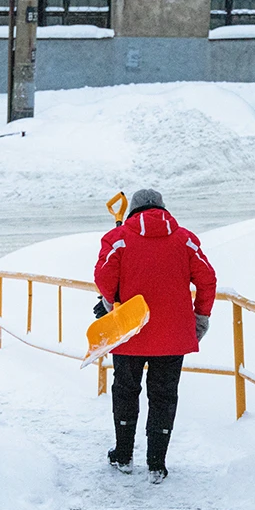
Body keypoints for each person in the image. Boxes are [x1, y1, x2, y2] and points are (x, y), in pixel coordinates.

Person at [93, 189, 217, 484]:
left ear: (133, 211)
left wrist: (112, 306)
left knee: (125, 390)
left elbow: (103, 276)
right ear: (162, 209)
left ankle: (123, 455)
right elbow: (207, 278)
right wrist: (201, 316)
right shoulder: (185, 238)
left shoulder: (119, 238)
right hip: (173, 334)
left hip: (130, 330)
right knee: (163, 395)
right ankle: (157, 464)